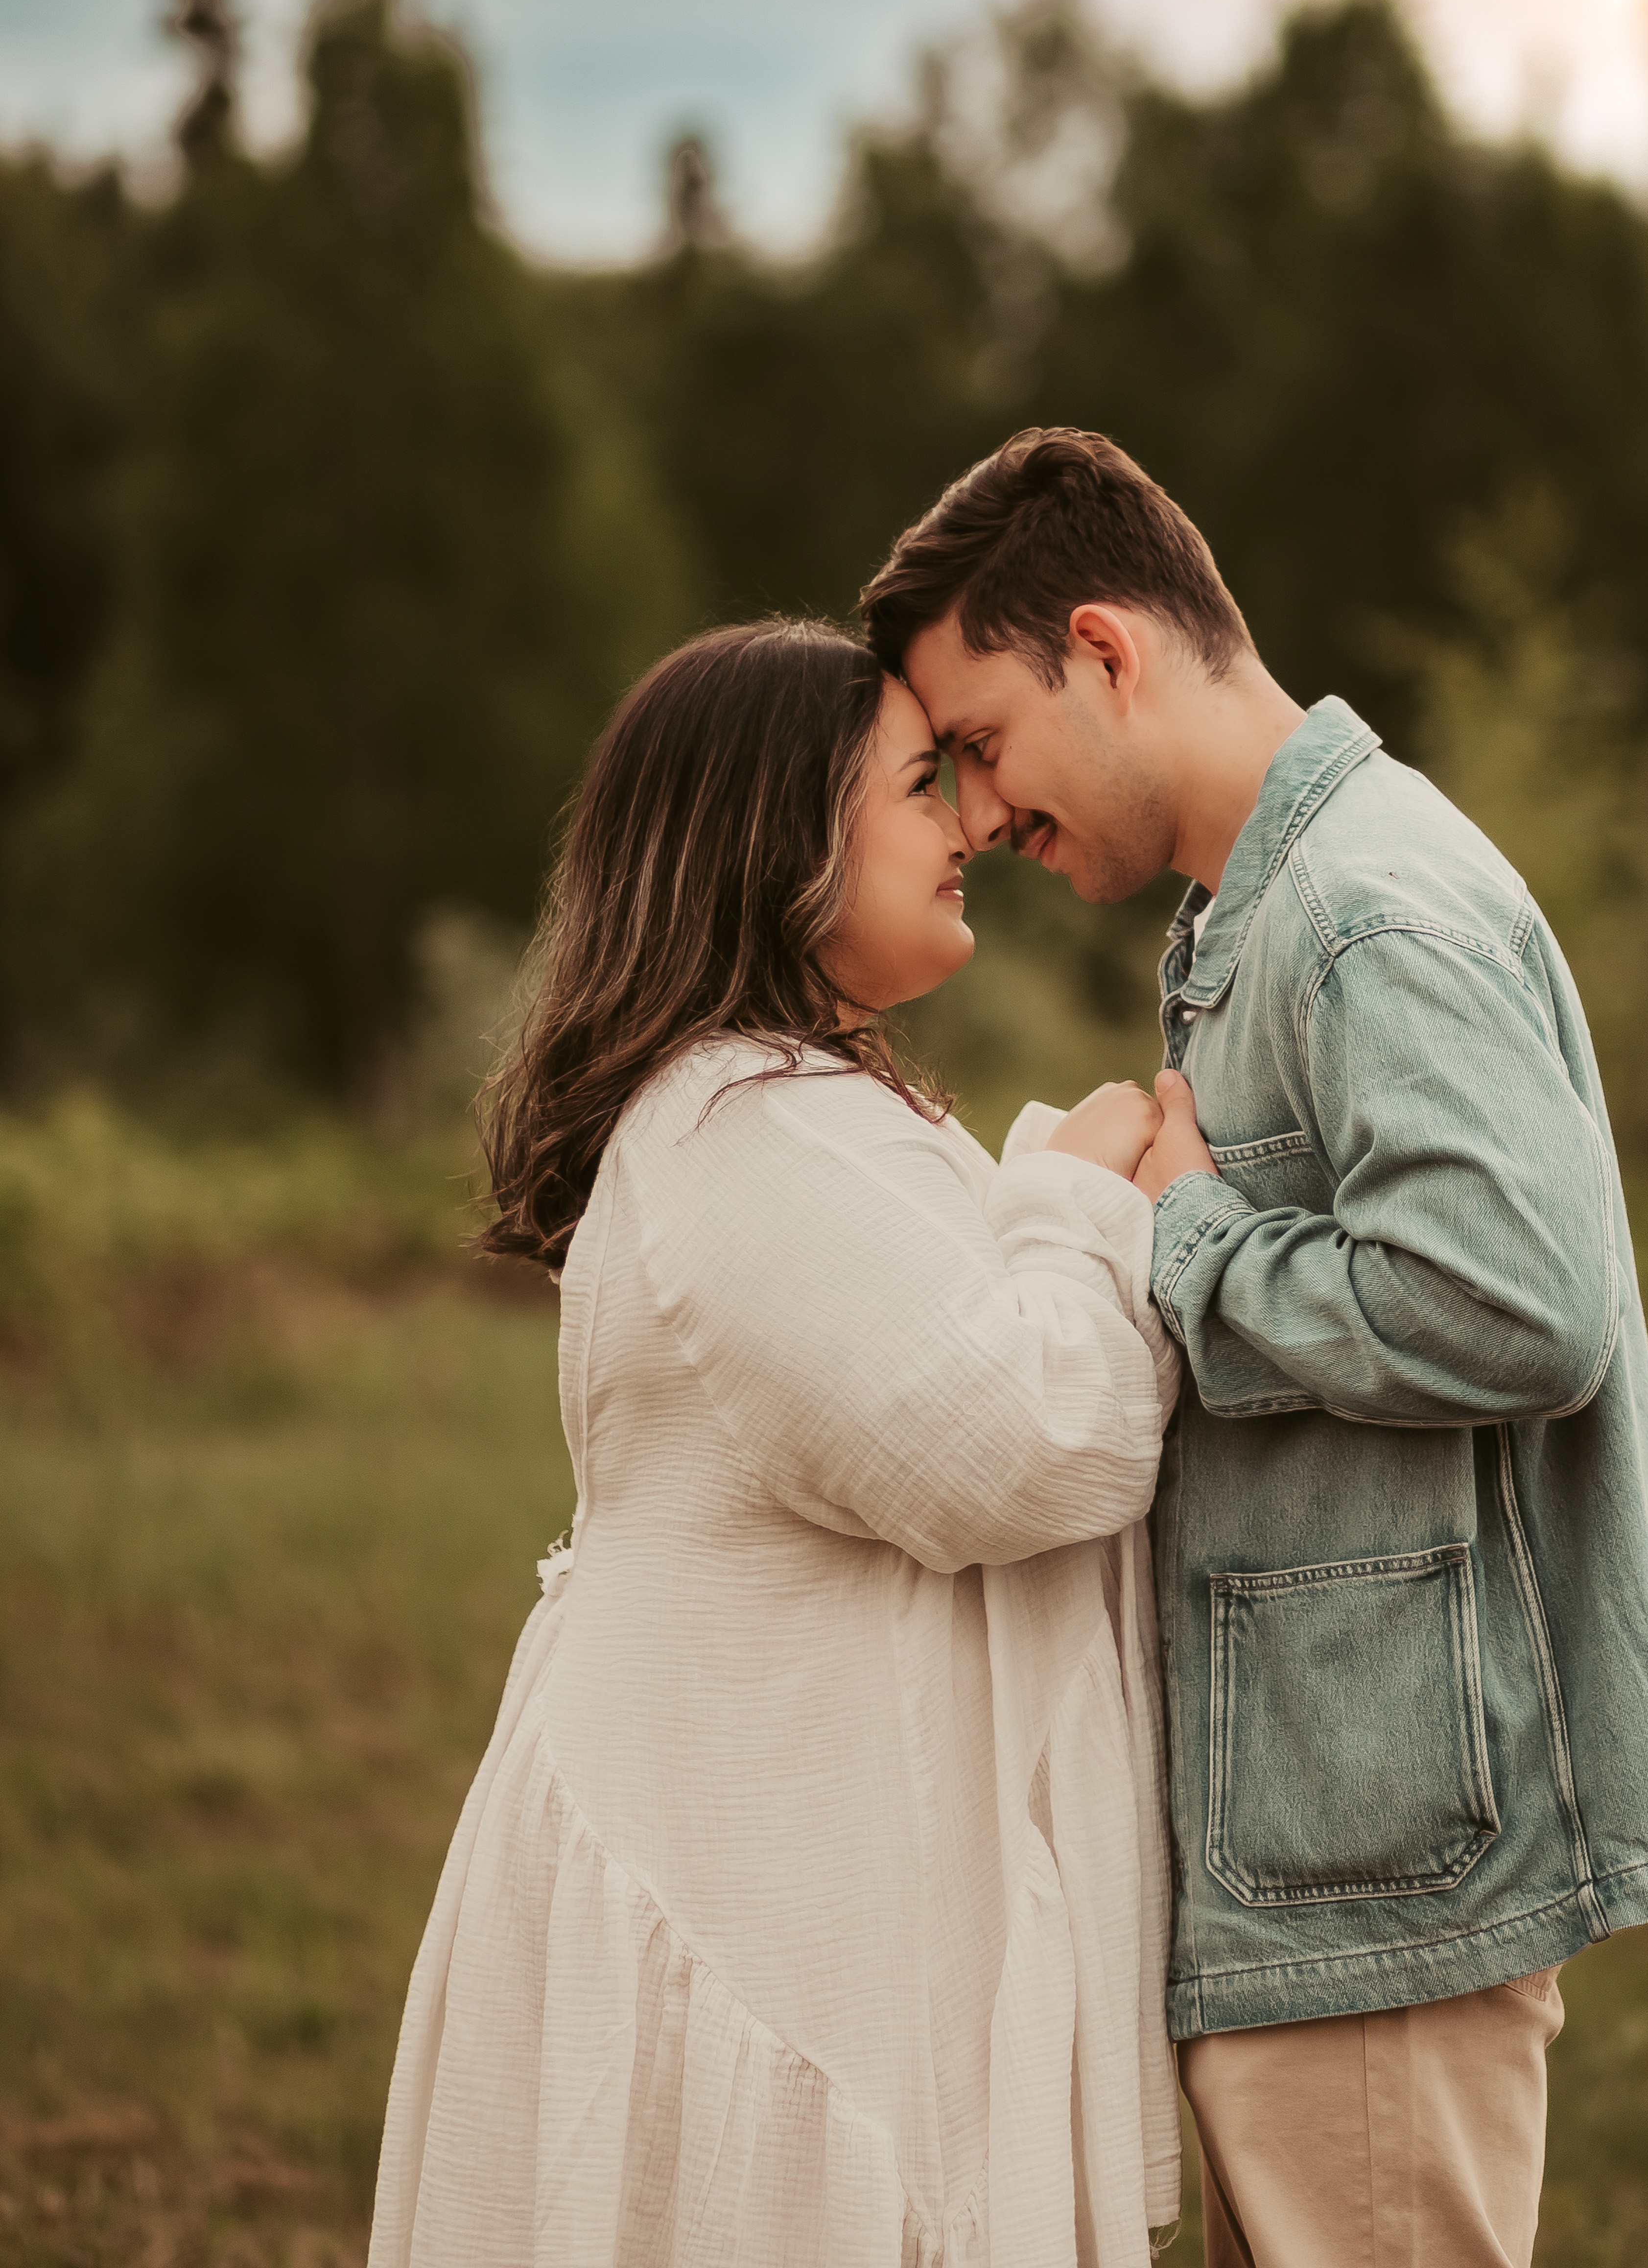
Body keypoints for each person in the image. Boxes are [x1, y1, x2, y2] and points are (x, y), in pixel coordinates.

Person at [863, 430, 1648, 2268]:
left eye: (983, 742)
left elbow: (1521, 1301)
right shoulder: (1260, 907)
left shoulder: (1359, 908)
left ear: (1104, 652)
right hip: (1326, 1860)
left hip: (1383, 1874)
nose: (977, 812)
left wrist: (1190, 1240)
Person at [368, 618, 1183, 2268]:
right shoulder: (741, 1138)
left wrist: (1062, 1191)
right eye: (917, 784)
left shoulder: (788, 1112)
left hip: (792, 1869)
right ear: (779, 838)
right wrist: (1086, 1202)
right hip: (753, 1902)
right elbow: (1026, 1441)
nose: (967, 824)